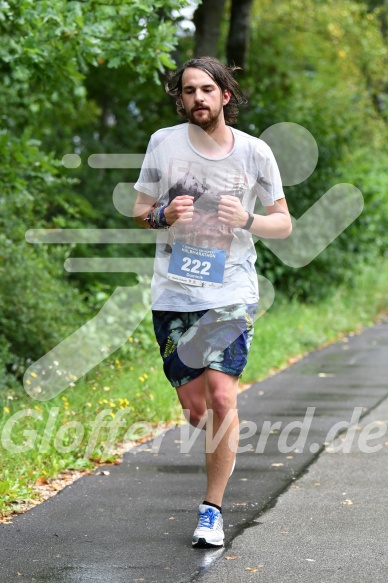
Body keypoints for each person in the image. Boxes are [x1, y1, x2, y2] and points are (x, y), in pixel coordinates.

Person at [133, 56, 291, 548]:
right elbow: (140, 211)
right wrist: (163, 213)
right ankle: (214, 432)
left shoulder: (255, 153)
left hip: (231, 293)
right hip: (174, 293)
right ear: (179, 99)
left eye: (207, 89)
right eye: (188, 91)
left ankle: (211, 511)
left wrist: (246, 220)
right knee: (198, 409)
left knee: (223, 397)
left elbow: (283, 223)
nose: (197, 98)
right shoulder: (163, 143)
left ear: (226, 95)